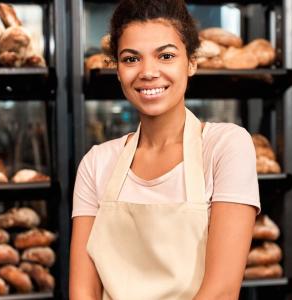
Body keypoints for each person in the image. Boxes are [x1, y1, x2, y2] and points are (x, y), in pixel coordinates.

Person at [69, 0, 260, 299]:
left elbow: (221, 291)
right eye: (131, 59)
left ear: (192, 62)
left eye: (166, 56)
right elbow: (83, 291)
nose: (148, 72)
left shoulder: (226, 147)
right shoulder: (96, 163)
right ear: (117, 70)